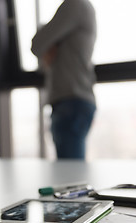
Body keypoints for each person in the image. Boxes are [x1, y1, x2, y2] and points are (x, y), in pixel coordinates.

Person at [31, 0, 97, 160]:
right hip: (73, 100)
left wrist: (51, 43)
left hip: (71, 100)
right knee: (71, 174)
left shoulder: (75, 4)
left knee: (71, 177)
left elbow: (37, 44)